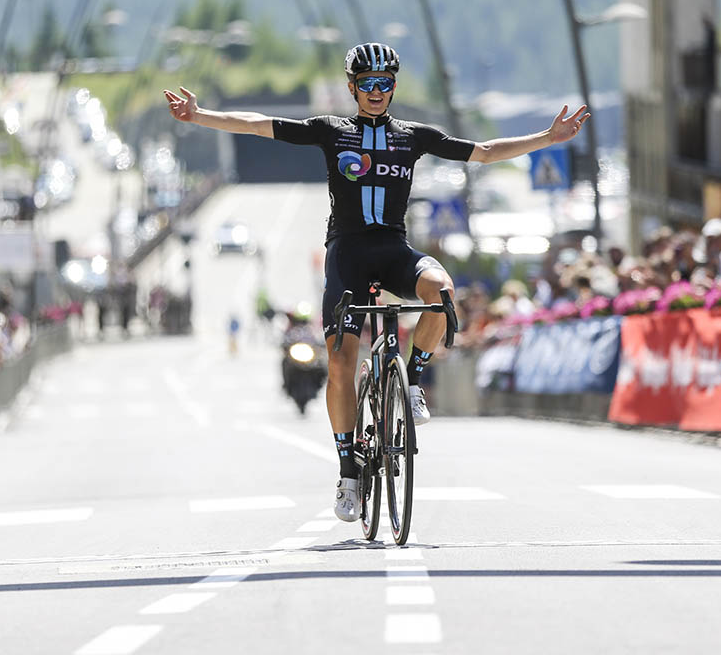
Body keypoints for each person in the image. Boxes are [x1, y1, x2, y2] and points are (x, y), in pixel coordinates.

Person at [165, 42, 588, 521]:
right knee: (341, 362)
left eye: (385, 84)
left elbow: (485, 153)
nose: (376, 92)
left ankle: (412, 382)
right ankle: (348, 472)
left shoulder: (413, 136)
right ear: (352, 87)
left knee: (441, 291)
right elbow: (260, 125)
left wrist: (548, 139)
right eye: (367, 84)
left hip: (393, 251)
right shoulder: (331, 132)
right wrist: (201, 116)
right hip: (347, 255)